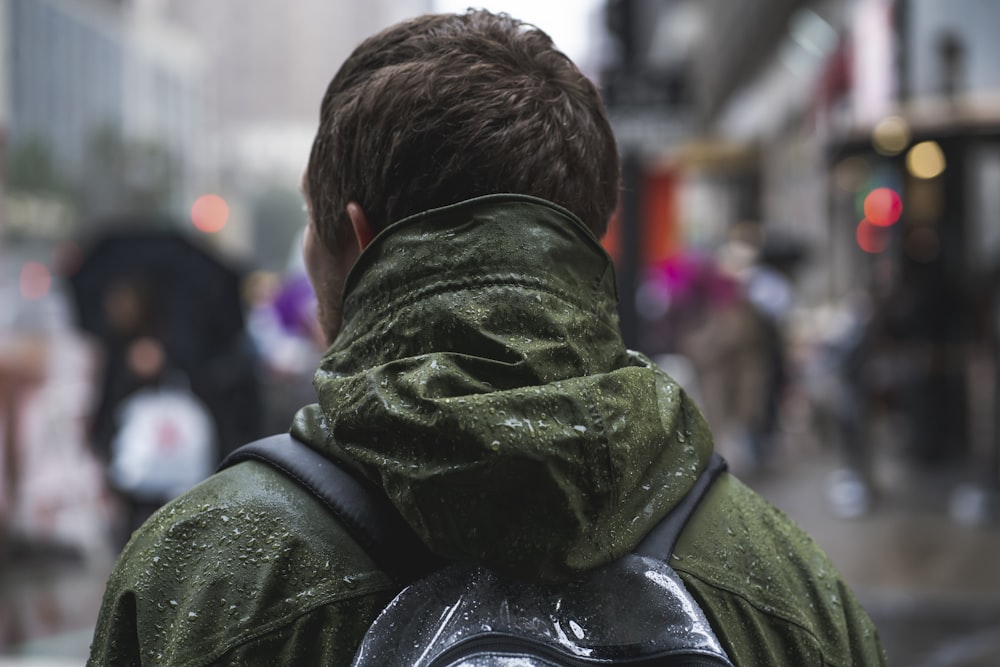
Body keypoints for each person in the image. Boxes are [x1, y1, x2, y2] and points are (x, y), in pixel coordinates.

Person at [88, 10, 886, 666]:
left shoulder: (198, 577)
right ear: (586, 241)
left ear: (357, 240)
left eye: (310, 223)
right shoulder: (790, 589)